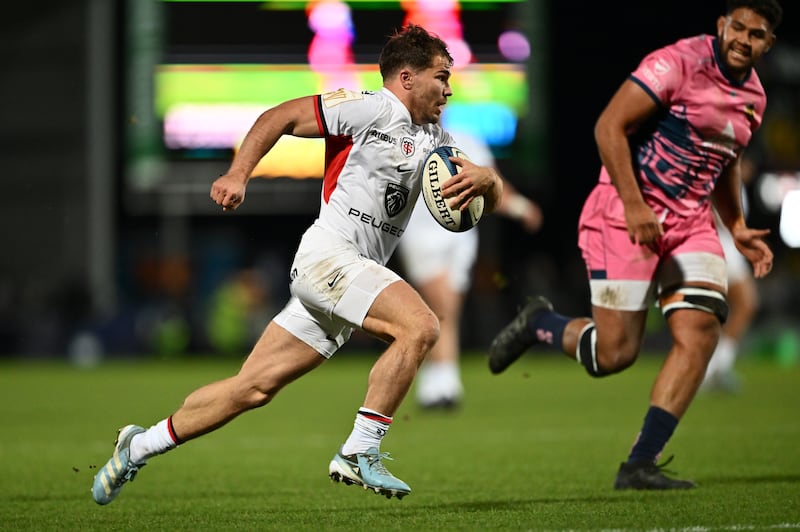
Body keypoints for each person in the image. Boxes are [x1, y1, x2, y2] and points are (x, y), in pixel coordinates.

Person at [92, 24, 502, 505]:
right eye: (442, 76)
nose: (449, 89)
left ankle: (138, 445)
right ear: (407, 77)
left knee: (250, 389)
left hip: (347, 277)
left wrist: (488, 180)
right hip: (331, 257)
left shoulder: (435, 138)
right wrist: (237, 173)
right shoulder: (372, 108)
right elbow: (279, 117)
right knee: (420, 327)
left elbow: (477, 201)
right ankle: (359, 451)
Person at [488, 0, 780, 490]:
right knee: (614, 355)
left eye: (757, 35)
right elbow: (609, 127)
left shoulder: (755, 96)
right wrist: (634, 205)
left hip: (690, 223)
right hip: (624, 214)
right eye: (739, 27)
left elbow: (724, 159)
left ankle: (640, 463)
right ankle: (540, 323)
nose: (744, 40)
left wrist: (736, 224)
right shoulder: (679, 62)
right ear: (721, 25)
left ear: (768, 44)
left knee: (702, 329)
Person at [396, 130, 542, 409]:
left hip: (460, 236)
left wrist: (521, 208)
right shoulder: (402, 139)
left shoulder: (466, 141)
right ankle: (443, 382)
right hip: (421, 235)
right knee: (439, 306)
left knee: (447, 310)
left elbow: (493, 185)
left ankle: (438, 382)